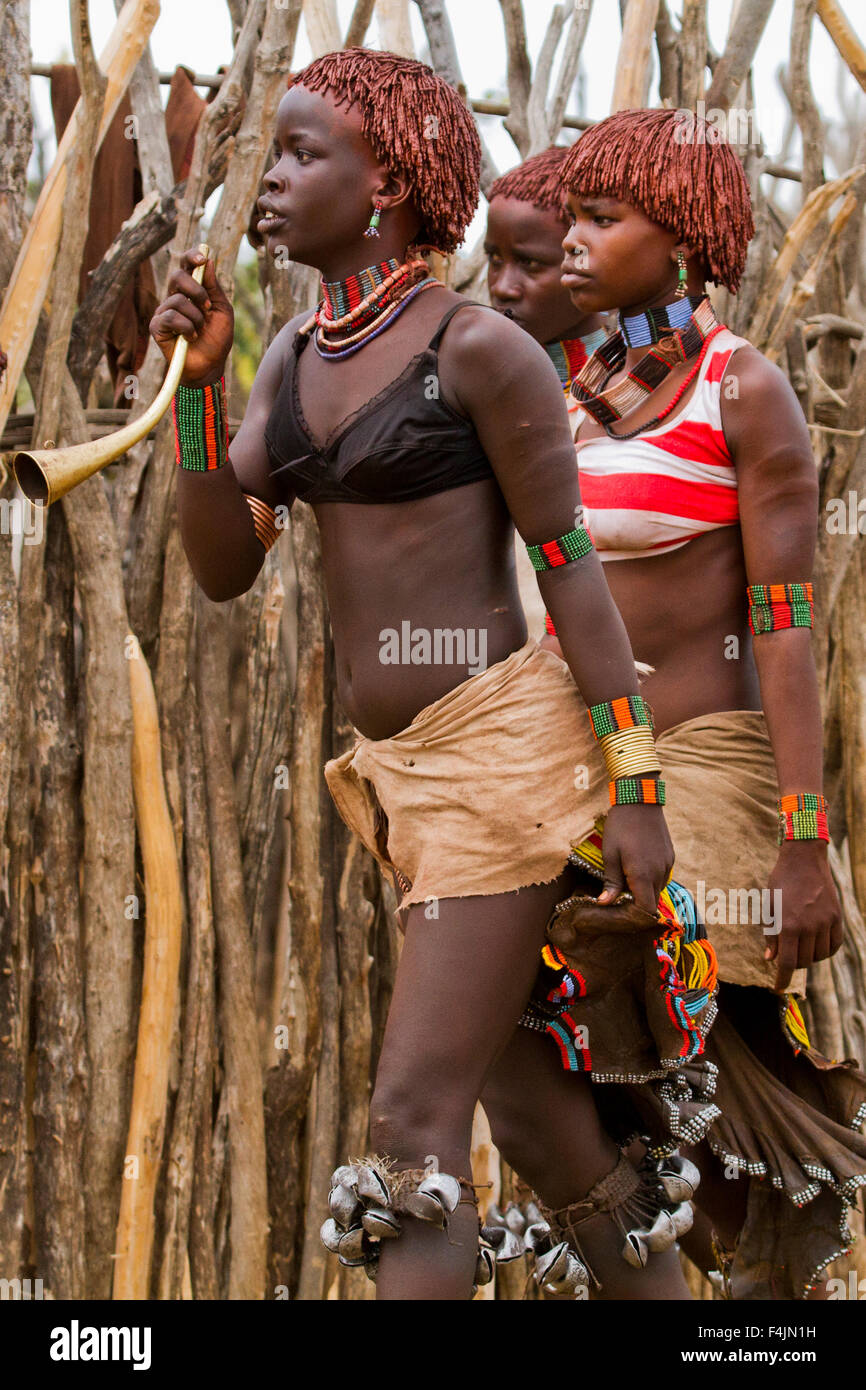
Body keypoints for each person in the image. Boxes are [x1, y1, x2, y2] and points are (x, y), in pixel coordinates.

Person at [150, 51, 715, 1301]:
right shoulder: (293, 355)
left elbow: (571, 574)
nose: (275, 176)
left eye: (306, 155)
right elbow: (220, 564)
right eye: (277, 151)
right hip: (404, 790)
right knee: (535, 1121)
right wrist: (199, 397)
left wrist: (634, 787)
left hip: (504, 766)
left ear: (391, 186)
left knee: (410, 1126)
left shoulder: (475, 351)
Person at [479, 106, 866, 1301]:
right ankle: (660, 1274)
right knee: (504, 1033)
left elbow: (784, 629)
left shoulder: (740, 395)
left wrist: (803, 847)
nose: (574, 243)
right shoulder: (561, 393)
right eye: (572, 219)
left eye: (603, 220)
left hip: (703, 761)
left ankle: (761, 1272)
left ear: (685, 237)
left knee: (681, 1043)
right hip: (580, 762)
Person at [485, 145, 608, 434]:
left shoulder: (627, 396)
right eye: (495, 259)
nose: (502, 288)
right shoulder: (471, 382)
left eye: (530, 263)